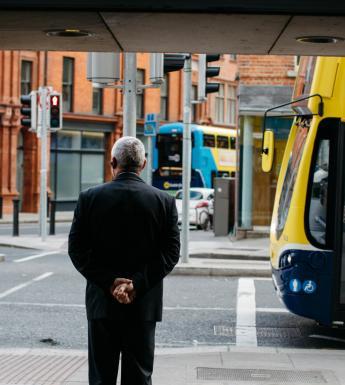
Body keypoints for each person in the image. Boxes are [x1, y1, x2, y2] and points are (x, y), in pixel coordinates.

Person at [68, 136, 180, 385]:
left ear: (113, 162)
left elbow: (77, 250)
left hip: (102, 303)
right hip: (143, 304)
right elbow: (171, 253)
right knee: (139, 377)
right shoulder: (164, 201)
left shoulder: (89, 198)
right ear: (143, 164)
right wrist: (136, 284)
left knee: (101, 378)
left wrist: (109, 282)